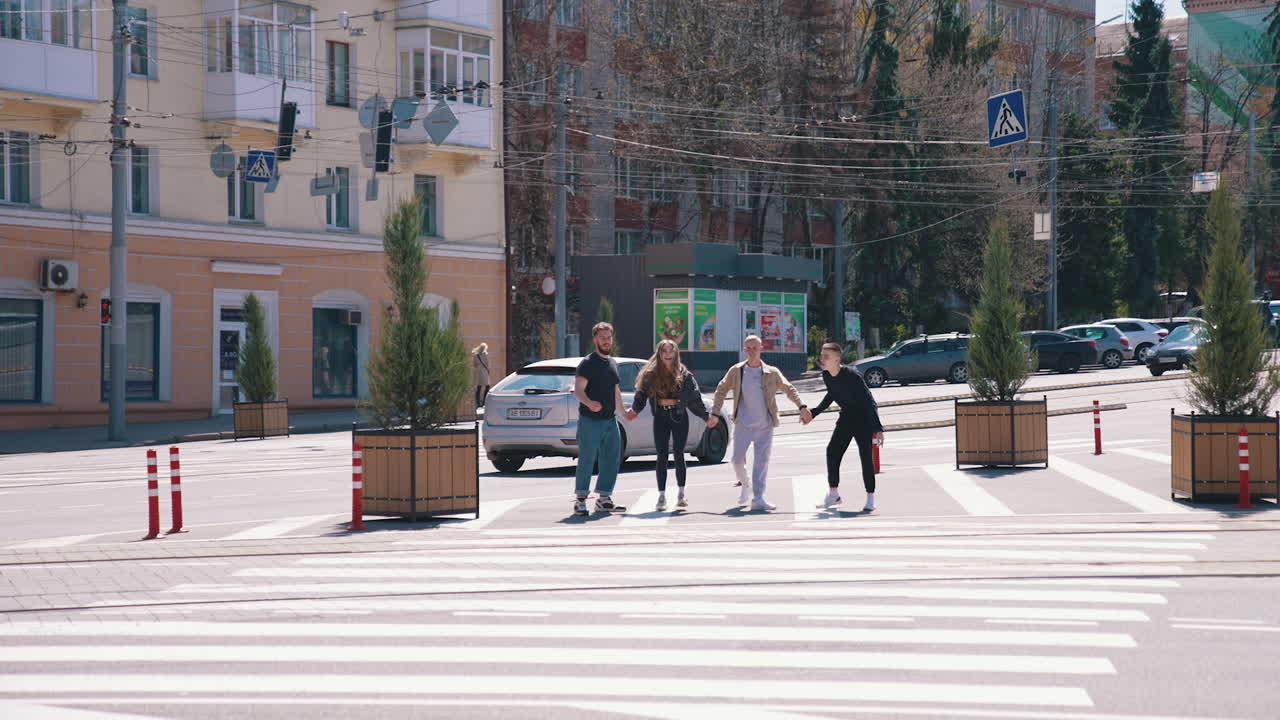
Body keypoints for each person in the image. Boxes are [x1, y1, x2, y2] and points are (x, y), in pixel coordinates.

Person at [709, 334, 810, 511]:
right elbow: (721, 389)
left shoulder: (771, 372)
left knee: (761, 463)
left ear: (761, 348)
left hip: (765, 425)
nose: (751, 351)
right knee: (736, 459)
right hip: (743, 424)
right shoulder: (737, 371)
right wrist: (715, 413)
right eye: (748, 348)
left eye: (755, 347)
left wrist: (801, 406)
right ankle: (746, 484)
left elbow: (788, 388)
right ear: (744, 350)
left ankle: (758, 497)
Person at [626, 339, 710, 511]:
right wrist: (634, 410)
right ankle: (662, 496)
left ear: (676, 353)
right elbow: (641, 395)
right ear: (659, 353)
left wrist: (706, 416)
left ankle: (681, 493)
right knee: (662, 455)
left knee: (679, 454)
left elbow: (694, 398)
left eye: (671, 351)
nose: (668, 355)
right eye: (664, 351)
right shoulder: (651, 374)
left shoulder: (684, 374)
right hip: (661, 416)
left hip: (679, 416)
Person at [806, 342, 884, 511]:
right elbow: (831, 395)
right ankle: (834, 494)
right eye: (822, 355)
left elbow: (868, 400)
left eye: (826, 356)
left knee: (865, 457)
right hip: (847, 416)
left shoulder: (852, 376)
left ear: (837, 358)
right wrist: (814, 413)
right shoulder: (826, 375)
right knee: (832, 451)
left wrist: (877, 428)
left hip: (863, 418)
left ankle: (870, 497)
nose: (822, 359)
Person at [573, 322, 631, 516]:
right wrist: (589, 403)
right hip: (590, 420)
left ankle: (604, 499)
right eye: (602, 338)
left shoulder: (612, 363)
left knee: (611, 459)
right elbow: (579, 390)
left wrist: (623, 411)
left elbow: (615, 390)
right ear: (595, 339)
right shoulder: (588, 363)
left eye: (608, 337)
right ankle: (580, 500)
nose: (606, 341)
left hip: (610, 420)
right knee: (587, 460)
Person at [471, 343, 491, 408]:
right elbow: (487, 364)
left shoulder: (476, 355)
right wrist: (488, 370)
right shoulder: (486, 354)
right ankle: (484, 402)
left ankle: (478, 403)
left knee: (478, 388)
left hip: (478, 372)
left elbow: (474, 364)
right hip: (484, 372)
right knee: (487, 387)